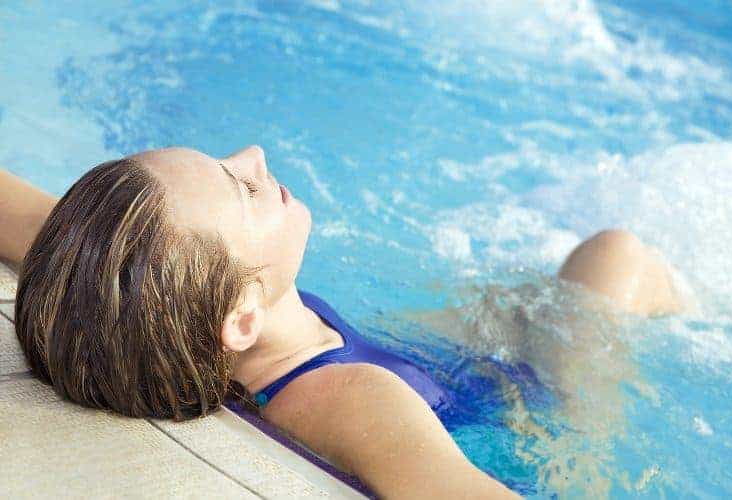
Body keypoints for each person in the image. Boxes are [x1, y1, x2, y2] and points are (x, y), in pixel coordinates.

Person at [0, 145, 688, 499]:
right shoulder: (351, 399)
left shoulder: (127, 285)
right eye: (243, 189)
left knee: (539, 287)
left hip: (452, 369)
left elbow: (37, 221)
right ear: (240, 316)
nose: (255, 156)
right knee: (615, 257)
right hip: (524, 418)